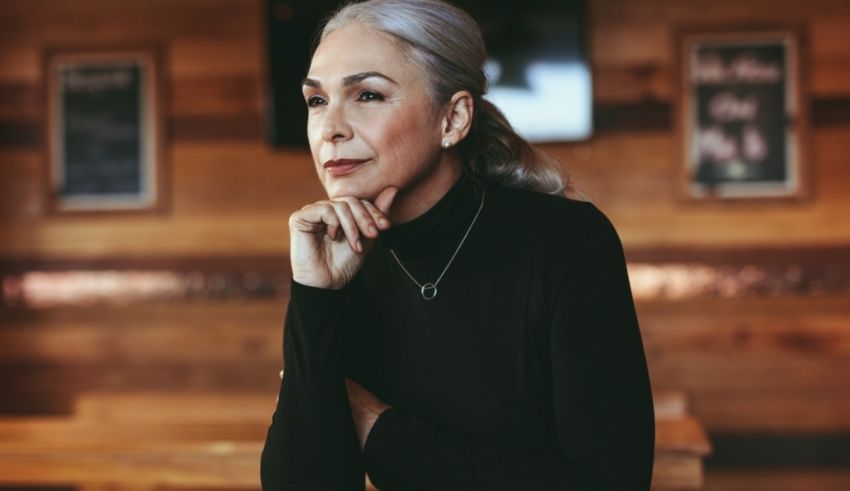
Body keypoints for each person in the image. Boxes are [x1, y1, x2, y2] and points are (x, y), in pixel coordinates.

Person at [260, 0, 655, 489]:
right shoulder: (341, 261)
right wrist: (314, 294)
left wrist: (374, 427)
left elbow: (611, 483)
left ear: (453, 119)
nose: (330, 129)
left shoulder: (568, 242)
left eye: (367, 95)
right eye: (317, 101)